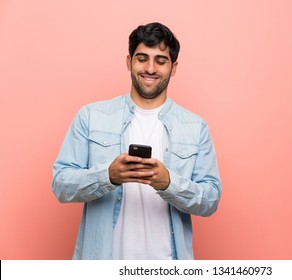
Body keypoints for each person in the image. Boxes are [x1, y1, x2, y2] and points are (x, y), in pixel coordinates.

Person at [52, 22, 222, 260]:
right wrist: (108, 176)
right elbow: (61, 185)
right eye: (142, 58)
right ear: (128, 61)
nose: (150, 68)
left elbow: (210, 200)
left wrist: (168, 183)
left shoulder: (196, 127)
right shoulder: (91, 116)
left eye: (160, 61)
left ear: (173, 67)